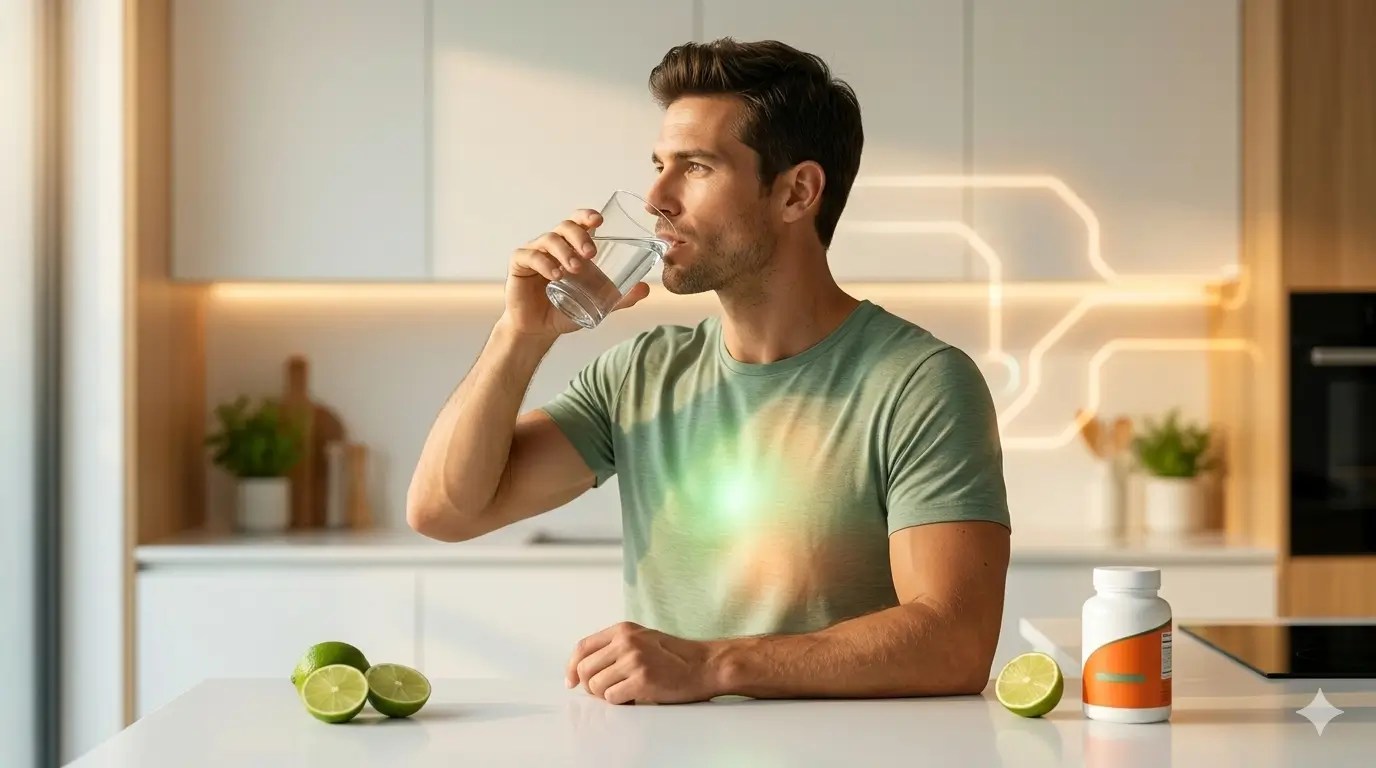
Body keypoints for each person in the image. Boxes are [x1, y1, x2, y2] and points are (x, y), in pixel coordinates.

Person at [408, 38, 1011, 705]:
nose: (656, 196)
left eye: (695, 167)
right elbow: (444, 512)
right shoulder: (642, 372)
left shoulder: (919, 382)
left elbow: (954, 643)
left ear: (796, 193)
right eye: (659, 164)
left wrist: (711, 666)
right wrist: (518, 335)